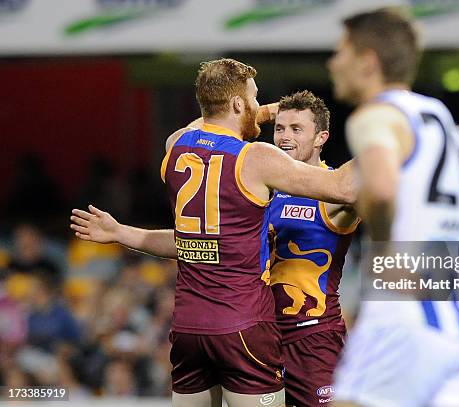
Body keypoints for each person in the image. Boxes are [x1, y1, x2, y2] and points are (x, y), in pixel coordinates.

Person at [71, 59, 356, 407]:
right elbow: (196, 242)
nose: (282, 134)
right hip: (254, 328)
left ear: (322, 137)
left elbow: (348, 188)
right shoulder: (257, 174)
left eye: (297, 129)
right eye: (278, 125)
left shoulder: (188, 151)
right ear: (238, 104)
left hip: (304, 337)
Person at [326, 8, 459, 407]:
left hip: (404, 319)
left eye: (341, 51)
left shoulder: (373, 117)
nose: (332, 62)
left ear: (368, 61)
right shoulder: (436, 117)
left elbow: (381, 186)